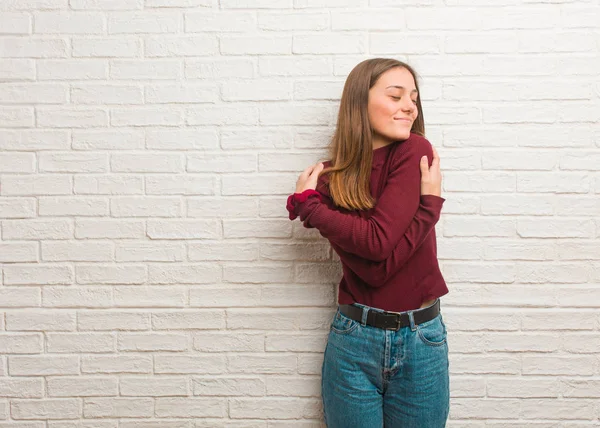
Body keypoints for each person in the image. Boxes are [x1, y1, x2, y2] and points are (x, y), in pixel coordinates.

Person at [285, 58, 449, 427]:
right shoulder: (330, 179)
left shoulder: (414, 151)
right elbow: (377, 263)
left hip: (421, 339)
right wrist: (428, 207)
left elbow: (374, 247)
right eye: (395, 95)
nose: (409, 105)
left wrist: (309, 208)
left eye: (414, 98)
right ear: (360, 102)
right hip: (353, 341)